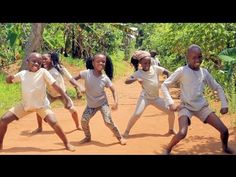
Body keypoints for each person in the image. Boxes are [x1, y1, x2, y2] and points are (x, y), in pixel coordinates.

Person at [161, 44, 233, 154]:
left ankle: (225, 147)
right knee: (182, 132)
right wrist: (170, 103)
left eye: (199, 57)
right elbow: (165, 85)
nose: (197, 60)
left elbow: (217, 87)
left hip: (201, 107)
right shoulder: (182, 71)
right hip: (185, 106)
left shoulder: (204, 72)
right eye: (194, 57)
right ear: (187, 58)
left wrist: (224, 104)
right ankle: (168, 148)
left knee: (224, 131)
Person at [0, 52, 75, 151]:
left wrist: (66, 98)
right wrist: (8, 79)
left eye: (39, 62)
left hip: (41, 106)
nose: (36, 64)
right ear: (27, 62)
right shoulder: (23, 74)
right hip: (25, 105)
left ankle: (67, 143)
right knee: (4, 120)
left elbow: (55, 86)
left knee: (54, 122)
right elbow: (10, 81)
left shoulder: (43, 72)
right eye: (34, 61)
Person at [74, 54, 126, 145]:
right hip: (91, 105)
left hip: (103, 104)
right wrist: (79, 87)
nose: (101, 63)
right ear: (93, 63)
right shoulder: (86, 73)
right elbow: (72, 79)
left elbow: (113, 90)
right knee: (83, 121)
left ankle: (120, 137)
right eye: (98, 61)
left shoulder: (105, 78)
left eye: (103, 61)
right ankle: (87, 137)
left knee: (108, 122)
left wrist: (116, 102)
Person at [123, 50, 176, 138]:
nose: (147, 64)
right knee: (137, 114)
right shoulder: (138, 73)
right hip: (145, 98)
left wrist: (168, 80)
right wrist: (136, 79)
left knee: (171, 111)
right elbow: (126, 81)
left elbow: (167, 72)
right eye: (144, 63)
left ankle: (171, 129)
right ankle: (127, 131)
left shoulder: (155, 68)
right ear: (140, 63)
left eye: (149, 62)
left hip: (156, 98)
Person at [32, 52, 85, 134]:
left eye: (45, 59)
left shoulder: (59, 68)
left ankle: (77, 126)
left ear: (51, 59)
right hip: (50, 94)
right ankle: (39, 127)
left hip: (62, 94)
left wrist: (79, 86)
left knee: (72, 110)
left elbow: (71, 79)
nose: (43, 61)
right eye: (42, 59)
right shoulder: (42, 71)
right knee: (39, 109)